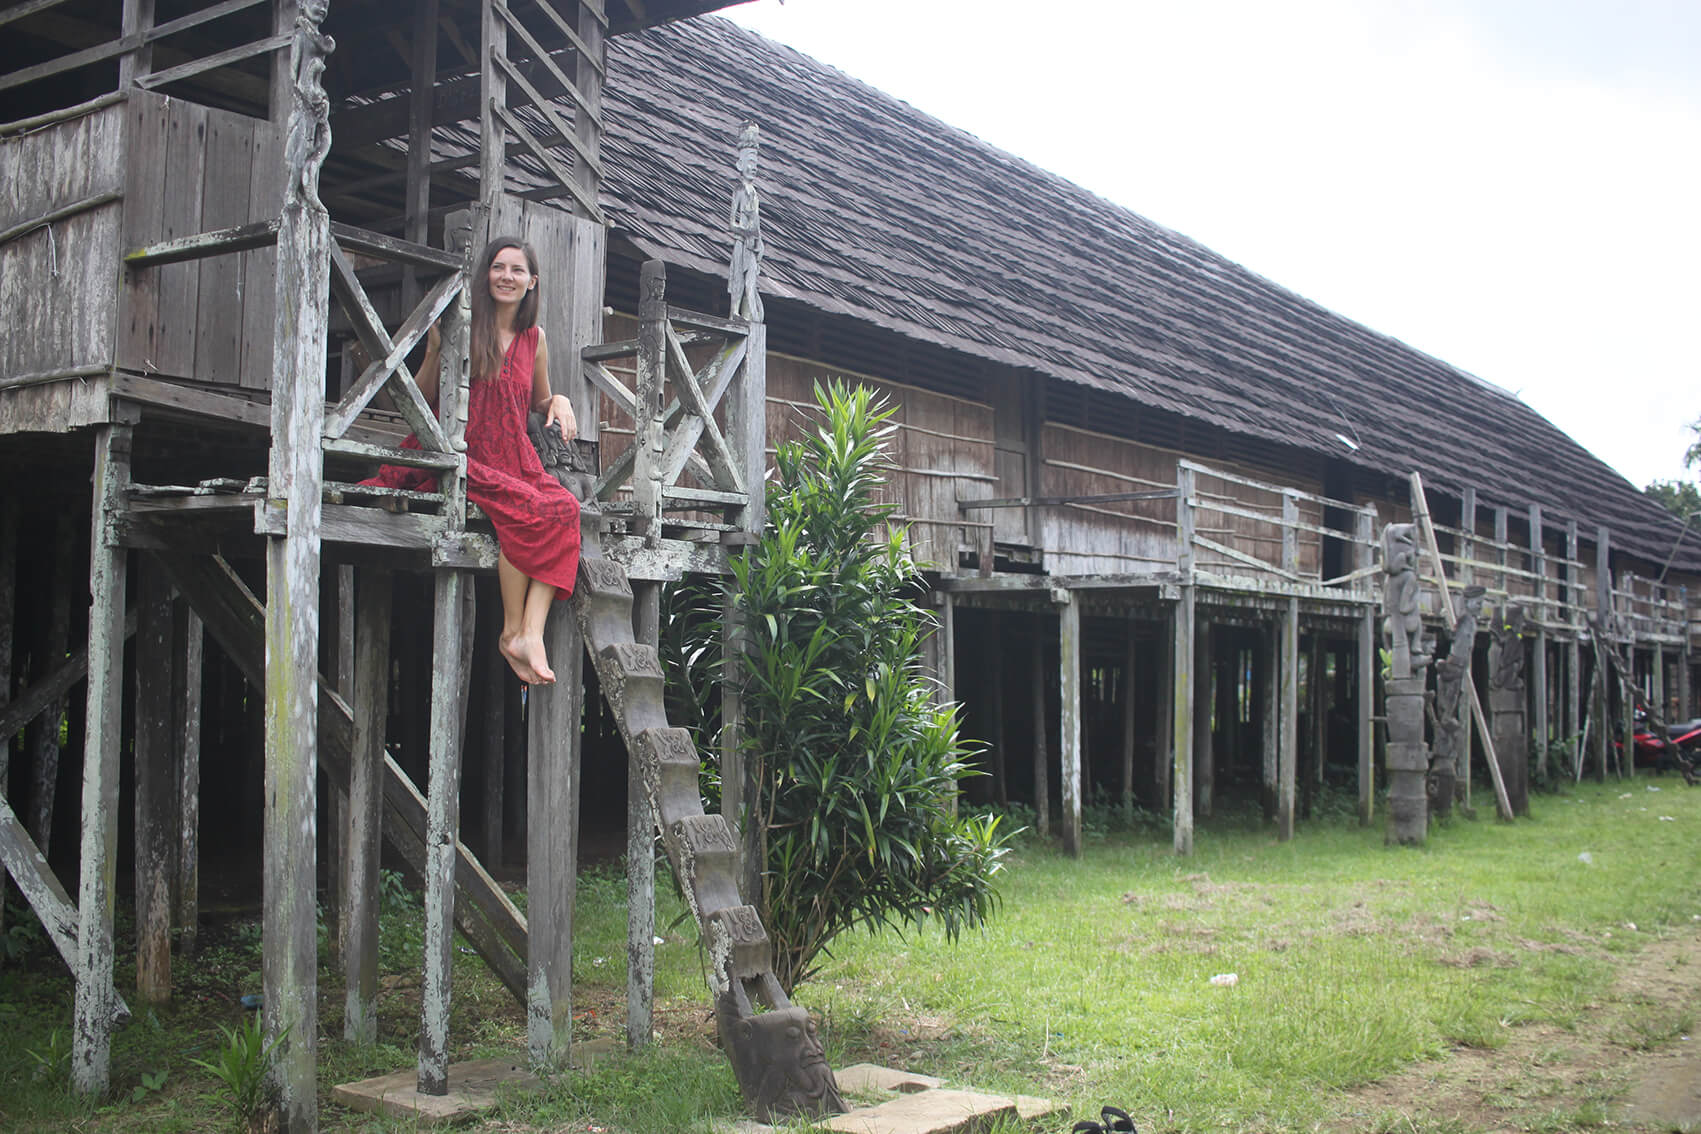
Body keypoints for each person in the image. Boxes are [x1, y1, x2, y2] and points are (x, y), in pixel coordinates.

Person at [364, 237, 581, 685]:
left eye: (517, 270)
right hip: (466, 451)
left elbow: (535, 400)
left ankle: (529, 632)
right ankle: (511, 630)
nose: (507, 277)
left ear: (531, 282)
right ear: (486, 276)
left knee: (566, 508)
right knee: (529, 511)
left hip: (515, 455)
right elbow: (421, 397)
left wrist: (558, 399)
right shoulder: (461, 323)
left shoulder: (535, 339)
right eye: (498, 268)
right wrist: (433, 350)